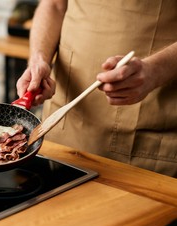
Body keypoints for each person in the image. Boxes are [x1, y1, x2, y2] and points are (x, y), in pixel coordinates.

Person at [16, 0, 177, 178]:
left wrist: (155, 71)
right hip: (64, 125)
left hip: (146, 136)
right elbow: (54, 5)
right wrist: (39, 59)